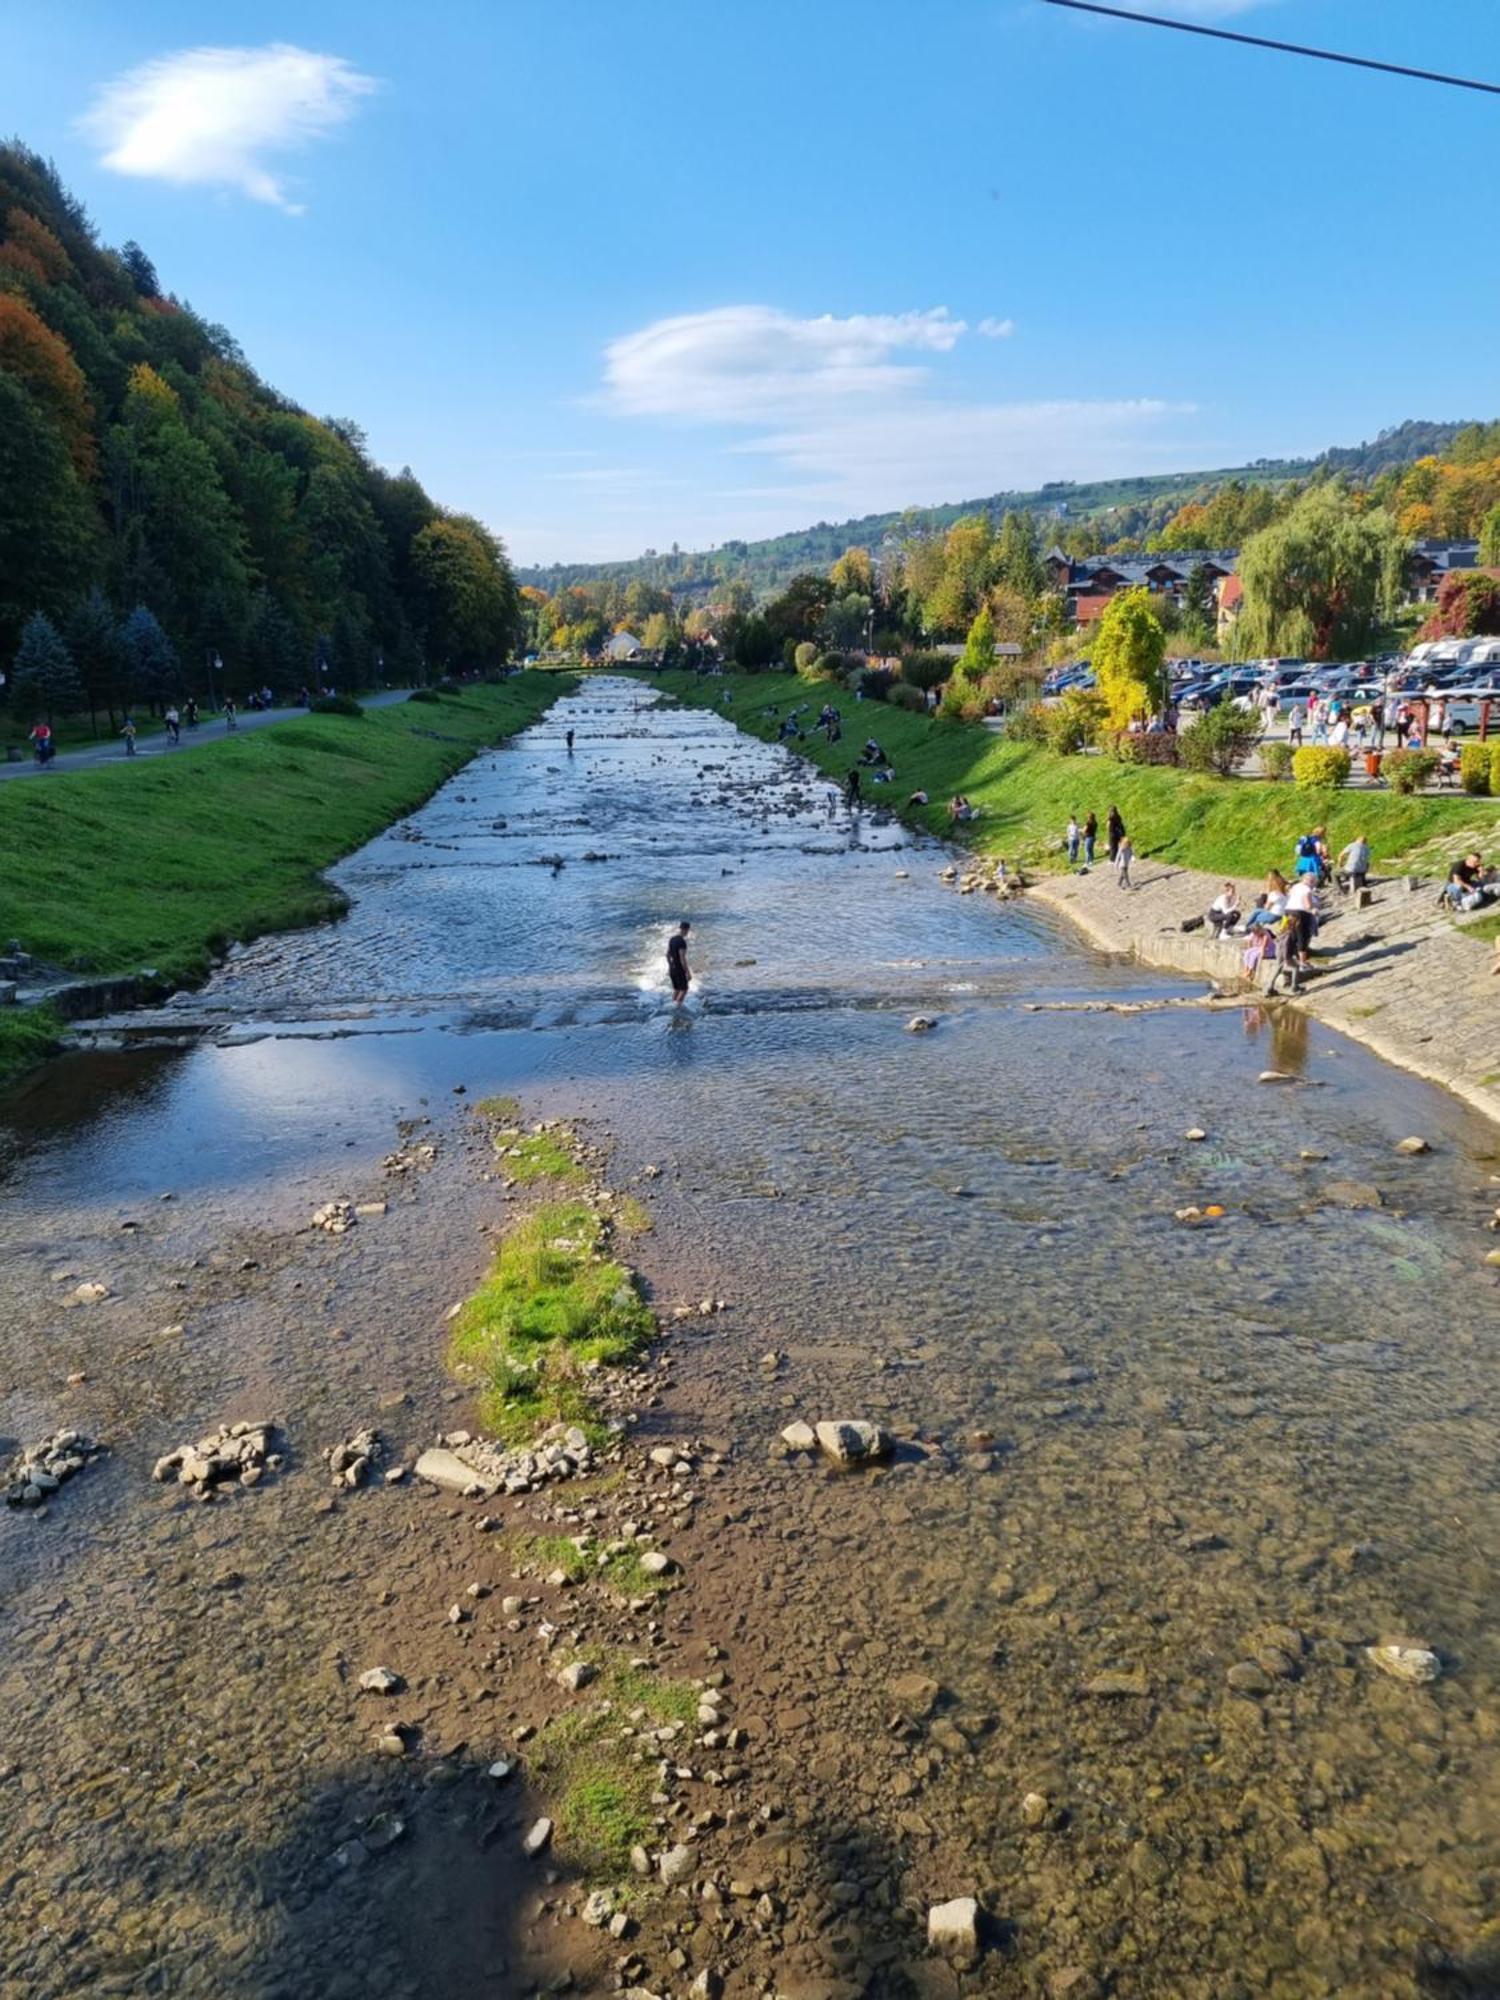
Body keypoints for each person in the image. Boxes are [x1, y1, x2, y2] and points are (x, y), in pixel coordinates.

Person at [1284, 873, 1319, 971]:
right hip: (1300, 914)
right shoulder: (1307, 890)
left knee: (1292, 936)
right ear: (1311, 882)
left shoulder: (1296, 886)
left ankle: (1289, 959)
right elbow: (1307, 905)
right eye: (1313, 882)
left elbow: (1290, 895)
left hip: (1288, 911)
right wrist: (1314, 910)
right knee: (1302, 937)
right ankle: (1303, 964)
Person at [666, 920, 692, 1005]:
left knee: (676, 989)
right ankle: (676, 1007)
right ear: (686, 929)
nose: (687, 932)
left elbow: (667, 955)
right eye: (688, 930)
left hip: (672, 968)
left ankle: (672, 1005)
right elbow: (682, 958)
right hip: (679, 969)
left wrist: (670, 966)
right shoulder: (682, 942)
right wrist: (687, 972)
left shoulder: (672, 939)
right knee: (684, 989)